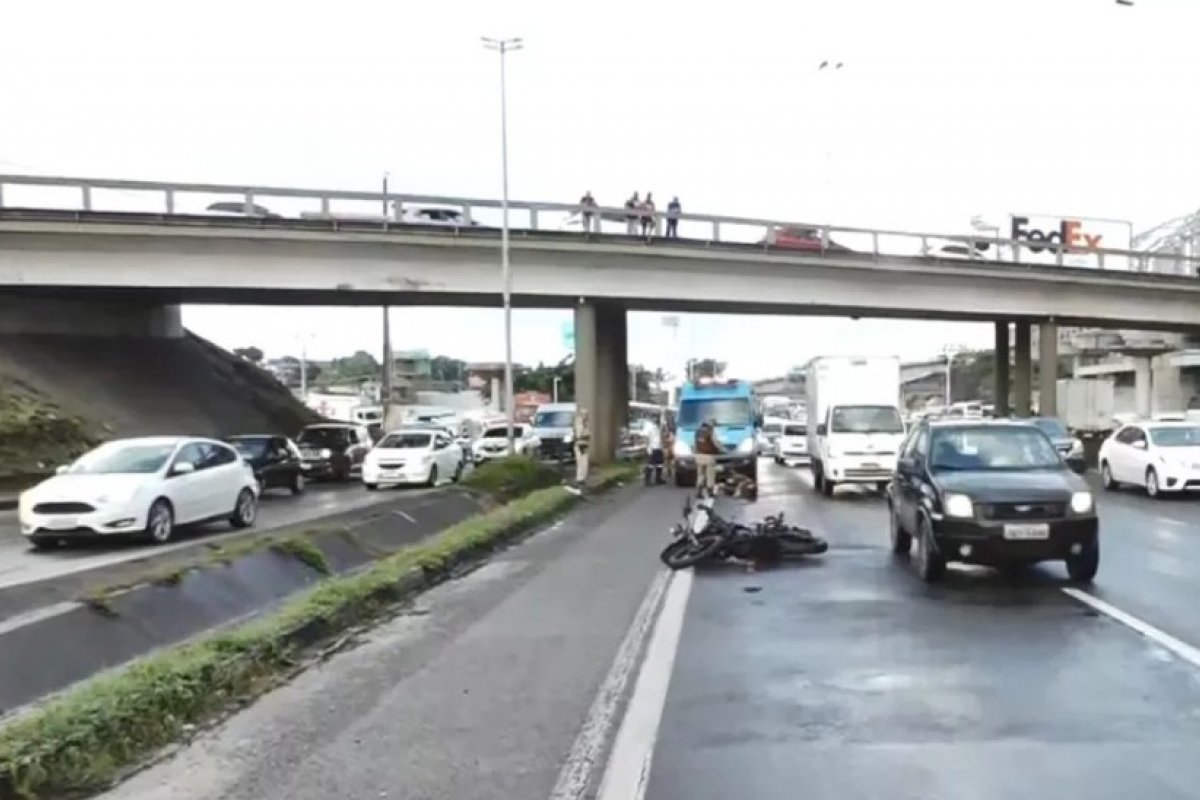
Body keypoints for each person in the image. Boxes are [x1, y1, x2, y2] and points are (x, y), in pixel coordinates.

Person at [694, 418, 722, 494]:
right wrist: (721, 450)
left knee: (700, 474)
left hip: (698, 454)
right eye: (714, 425)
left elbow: (695, 443)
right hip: (708, 455)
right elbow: (716, 443)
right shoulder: (710, 432)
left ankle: (699, 491)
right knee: (710, 474)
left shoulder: (698, 431)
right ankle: (710, 491)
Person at [572, 407, 592, 488]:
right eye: (585, 415)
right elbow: (579, 435)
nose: (587, 417)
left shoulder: (585, 423)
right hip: (580, 444)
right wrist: (587, 434)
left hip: (584, 444)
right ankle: (580, 478)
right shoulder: (579, 423)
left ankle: (582, 478)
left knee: (584, 462)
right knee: (581, 462)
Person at [643, 417, 665, 485]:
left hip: (659, 448)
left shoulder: (657, 427)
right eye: (655, 419)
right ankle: (647, 480)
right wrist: (647, 448)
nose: (657, 420)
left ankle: (658, 478)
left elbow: (660, 437)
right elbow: (646, 438)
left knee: (660, 464)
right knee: (650, 465)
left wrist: (662, 447)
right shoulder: (648, 426)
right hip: (652, 448)